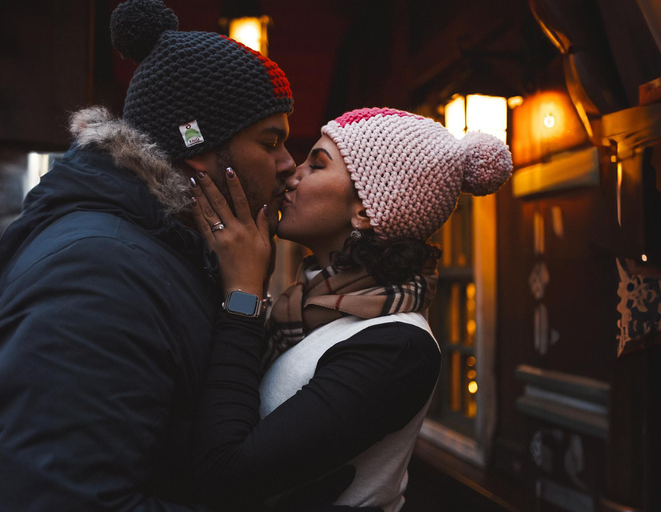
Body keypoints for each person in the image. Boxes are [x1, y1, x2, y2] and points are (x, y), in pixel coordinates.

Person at [0, 0, 296, 510]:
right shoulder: (97, 274)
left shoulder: (162, 250)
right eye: (270, 141)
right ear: (199, 150)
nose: (288, 164)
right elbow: (57, 499)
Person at [187, 107, 513, 511]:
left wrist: (243, 294)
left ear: (364, 210)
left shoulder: (396, 346)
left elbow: (226, 474)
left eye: (317, 165)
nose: (293, 174)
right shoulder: (304, 309)